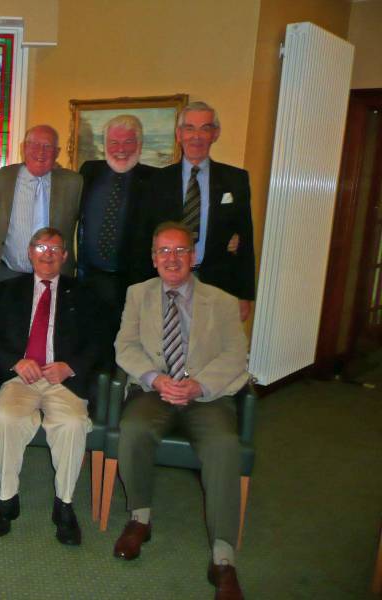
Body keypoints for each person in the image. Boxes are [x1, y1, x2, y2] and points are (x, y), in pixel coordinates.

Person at [113, 221, 248, 600]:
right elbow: (125, 347)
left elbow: (236, 354)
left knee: (224, 445)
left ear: (194, 256)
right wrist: (156, 379)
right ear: (154, 259)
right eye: (164, 252)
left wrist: (198, 384)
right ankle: (140, 518)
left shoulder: (221, 301)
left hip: (206, 395)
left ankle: (223, 558)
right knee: (134, 429)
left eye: (180, 251)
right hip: (155, 390)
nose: (172, 259)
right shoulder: (137, 294)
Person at [0, 228, 99, 546]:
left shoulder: (84, 292)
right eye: (40, 246)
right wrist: (15, 361)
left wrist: (70, 366)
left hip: (62, 381)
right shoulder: (8, 290)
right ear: (30, 252)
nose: (47, 253)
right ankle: (7, 499)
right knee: (7, 419)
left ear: (64, 256)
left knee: (73, 423)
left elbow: (97, 342)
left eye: (55, 248)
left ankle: (64, 505)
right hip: (21, 379)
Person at [148, 101, 255, 321]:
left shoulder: (236, 180)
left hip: (218, 283)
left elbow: (245, 239)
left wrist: (244, 294)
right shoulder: (157, 181)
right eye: (189, 128)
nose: (196, 136)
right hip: (166, 282)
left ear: (215, 134)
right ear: (179, 134)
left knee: (210, 348)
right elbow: (146, 237)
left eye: (205, 128)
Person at [77, 115, 158, 353]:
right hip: (89, 278)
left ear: (140, 144)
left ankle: (120, 388)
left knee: (127, 347)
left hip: (133, 283)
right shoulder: (89, 171)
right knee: (89, 343)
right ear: (105, 145)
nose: (120, 149)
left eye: (128, 142)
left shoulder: (156, 180)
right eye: (114, 142)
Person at [0, 125, 82, 296]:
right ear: (24, 148)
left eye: (48, 146)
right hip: (8, 273)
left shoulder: (74, 183)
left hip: (55, 275)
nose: (41, 151)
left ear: (57, 152)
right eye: (34, 144)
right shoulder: (0, 178)